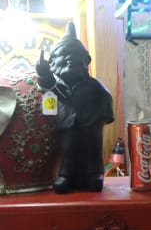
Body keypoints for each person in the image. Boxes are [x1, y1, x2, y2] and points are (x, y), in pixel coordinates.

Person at [35, 21, 115, 194]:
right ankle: (66, 175)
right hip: (67, 124)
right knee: (67, 150)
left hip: (90, 124)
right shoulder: (59, 86)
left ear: (86, 60)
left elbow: (106, 97)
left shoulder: (93, 84)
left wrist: (102, 117)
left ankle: (94, 175)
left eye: (75, 54)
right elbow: (49, 89)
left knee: (92, 151)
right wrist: (43, 74)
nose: (70, 58)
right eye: (64, 54)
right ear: (53, 62)